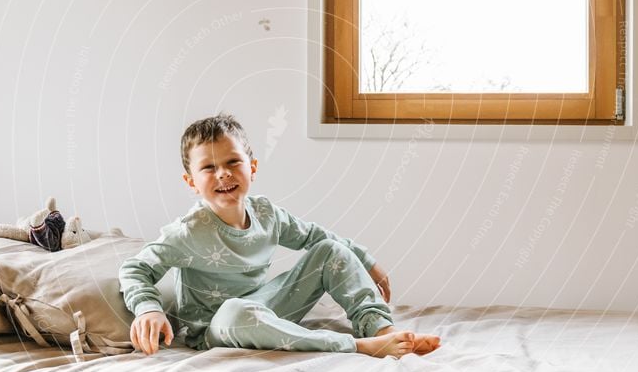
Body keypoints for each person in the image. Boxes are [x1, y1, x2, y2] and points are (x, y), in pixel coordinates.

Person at [119, 113, 441, 358]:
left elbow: (316, 237)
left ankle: (382, 329)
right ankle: (356, 346)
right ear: (191, 181)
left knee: (329, 249)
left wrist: (367, 261)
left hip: (267, 308)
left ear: (252, 167)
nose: (223, 173)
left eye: (233, 161)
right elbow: (135, 269)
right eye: (208, 168)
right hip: (218, 326)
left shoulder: (266, 214)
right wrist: (149, 308)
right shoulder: (189, 231)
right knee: (236, 311)